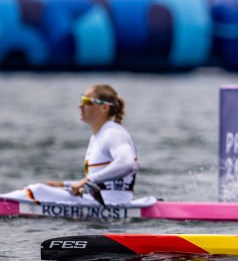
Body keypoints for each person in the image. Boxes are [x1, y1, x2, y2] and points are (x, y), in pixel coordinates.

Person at [2, 84, 139, 205]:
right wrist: (66, 185)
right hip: (99, 200)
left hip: (112, 203)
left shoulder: (113, 133)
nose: (80, 105)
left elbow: (127, 163)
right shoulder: (98, 136)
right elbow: (101, 183)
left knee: (37, 190)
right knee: (47, 189)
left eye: (86, 101)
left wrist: (88, 180)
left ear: (104, 107)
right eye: (81, 100)